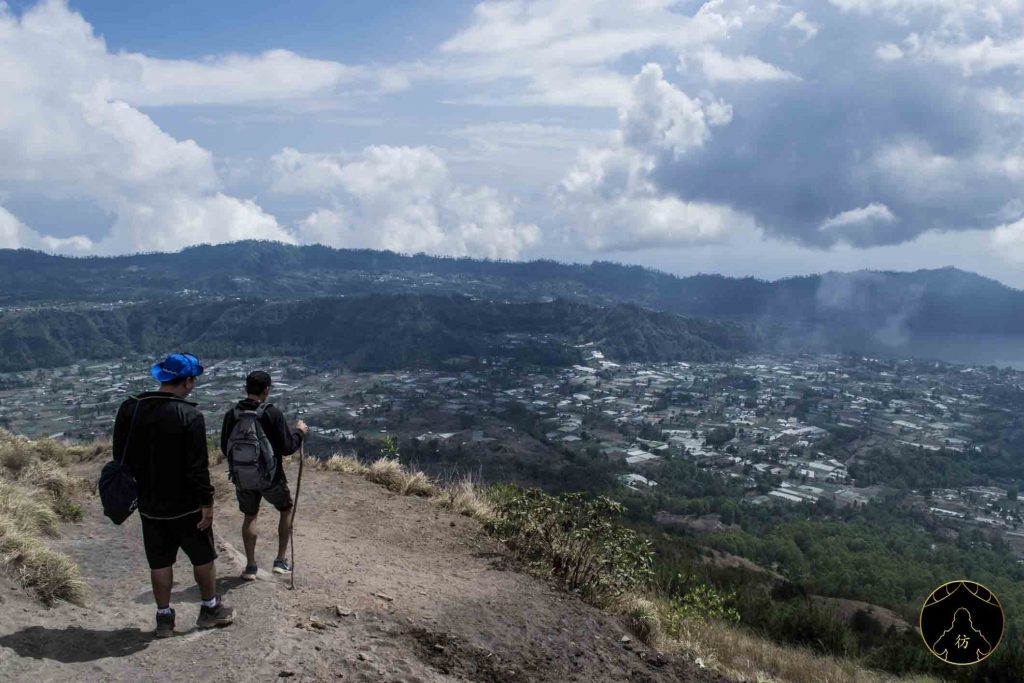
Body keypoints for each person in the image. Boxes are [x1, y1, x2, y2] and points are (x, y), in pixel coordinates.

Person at [112, 353, 234, 639]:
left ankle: (164, 618)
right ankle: (210, 609)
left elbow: (120, 456)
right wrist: (207, 503)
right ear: (188, 381)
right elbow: (197, 467)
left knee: (159, 561)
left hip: (148, 502)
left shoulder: (131, 409)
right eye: (194, 379)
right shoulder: (190, 416)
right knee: (203, 556)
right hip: (185, 503)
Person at [221, 370, 307, 581]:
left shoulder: (232, 414)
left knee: (250, 516)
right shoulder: (271, 413)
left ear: (246, 388)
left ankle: (250, 567)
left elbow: (225, 448)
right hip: (271, 477)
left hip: (243, 478)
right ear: (266, 390)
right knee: (286, 509)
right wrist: (300, 432)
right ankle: (280, 561)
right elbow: (287, 447)